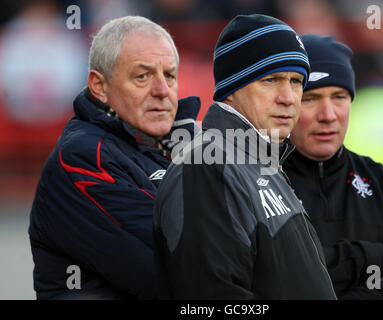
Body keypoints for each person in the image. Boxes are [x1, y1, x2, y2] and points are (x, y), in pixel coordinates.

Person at [153, 14, 337, 299]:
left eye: (297, 81)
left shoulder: (261, 163)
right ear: (230, 89)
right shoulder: (207, 165)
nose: (288, 97)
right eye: (271, 79)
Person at [28, 16, 200, 299]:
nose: (162, 90)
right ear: (99, 86)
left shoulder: (185, 145)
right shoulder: (82, 158)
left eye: (169, 75)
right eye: (142, 76)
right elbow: (181, 266)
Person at [284, 33, 383, 299]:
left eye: (339, 97)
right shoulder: (254, 183)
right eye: (310, 98)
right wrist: (369, 258)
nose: (328, 115)